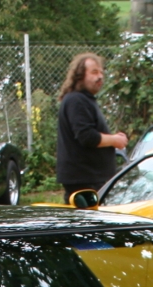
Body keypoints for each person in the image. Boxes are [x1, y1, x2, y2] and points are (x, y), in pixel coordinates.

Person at [55, 52, 126, 201]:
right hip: (84, 182)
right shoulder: (76, 100)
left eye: (101, 72)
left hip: (90, 180)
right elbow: (87, 137)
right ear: (80, 75)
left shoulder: (84, 100)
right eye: (94, 72)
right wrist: (114, 140)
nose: (100, 76)